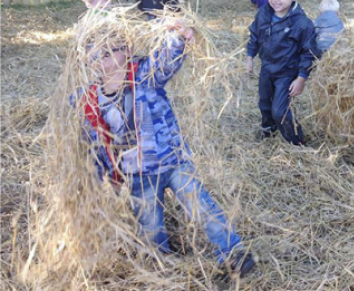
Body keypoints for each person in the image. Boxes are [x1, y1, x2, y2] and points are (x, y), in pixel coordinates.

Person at [76, 17, 255, 278]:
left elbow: (168, 59)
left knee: (201, 205)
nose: (100, 57)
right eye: (94, 52)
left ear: (126, 50)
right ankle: (164, 269)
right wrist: (104, 178)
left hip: (172, 160)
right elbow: (96, 142)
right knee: (150, 227)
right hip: (138, 174)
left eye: (108, 50)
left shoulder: (144, 74)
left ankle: (232, 253)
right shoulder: (91, 99)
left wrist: (179, 36)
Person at [246, 0, 318, 145]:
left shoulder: (301, 24)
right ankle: (268, 129)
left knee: (279, 110)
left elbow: (308, 52)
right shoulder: (264, 13)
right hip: (267, 67)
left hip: (286, 72)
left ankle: (296, 139)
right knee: (264, 102)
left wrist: (301, 78)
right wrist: (249, 56)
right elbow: (255, 35)